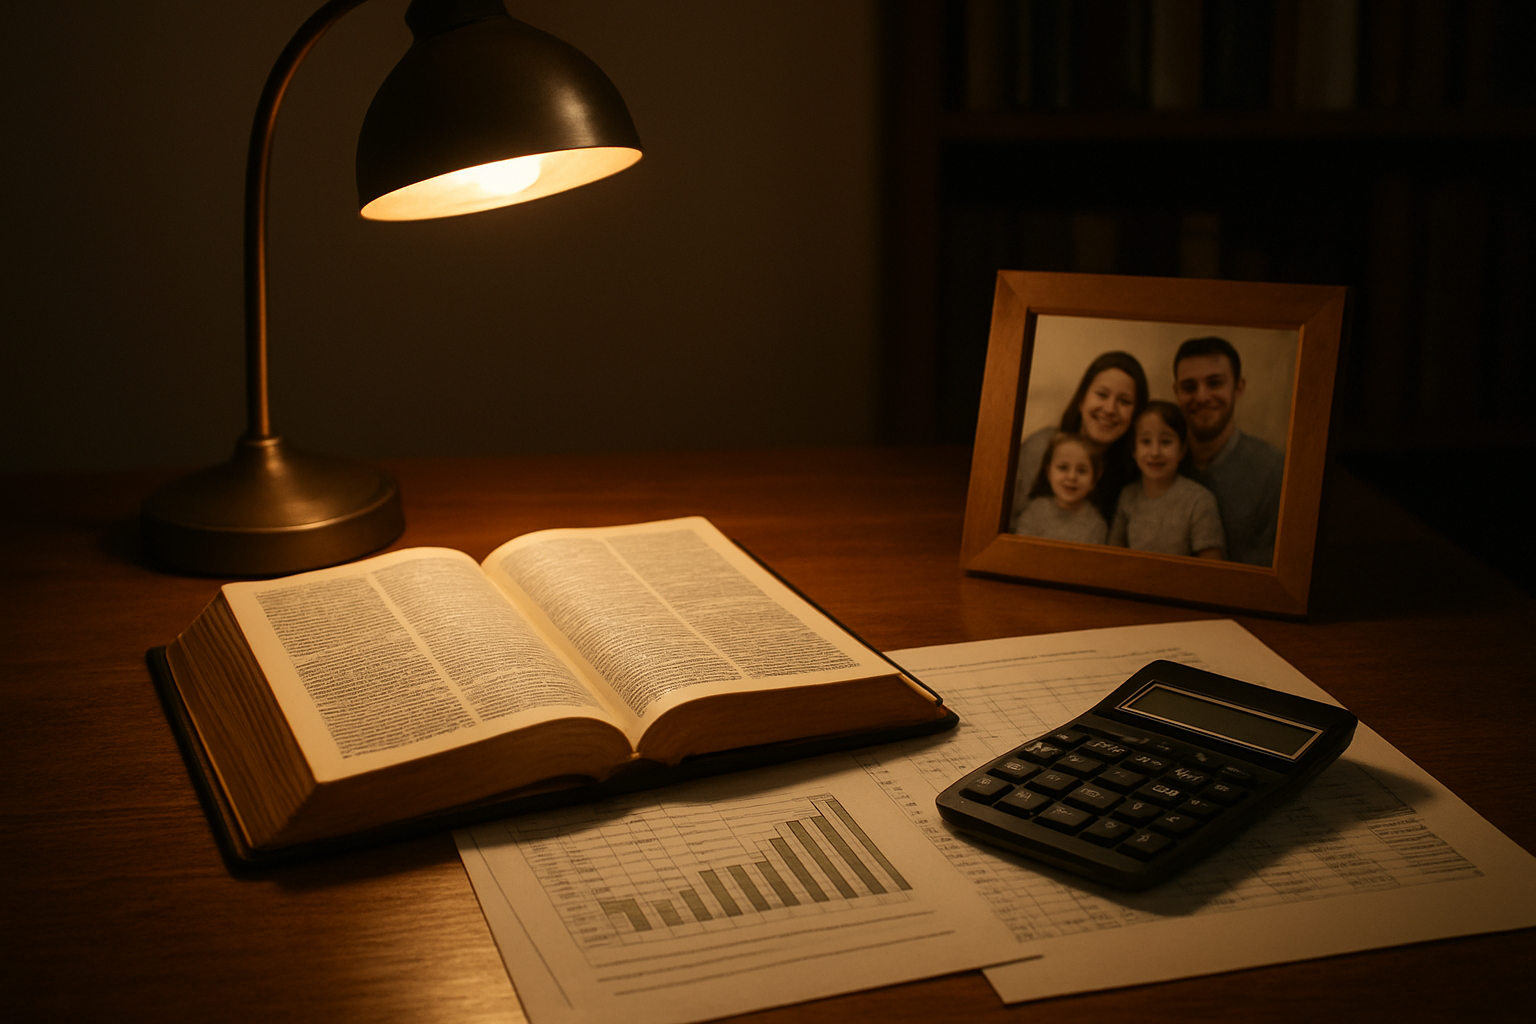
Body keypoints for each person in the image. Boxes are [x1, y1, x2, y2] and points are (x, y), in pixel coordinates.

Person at [1171, 336, 1284, 566]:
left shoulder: (1274, 471)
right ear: (1176, 392)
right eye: (1189, 387)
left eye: (1215, 383)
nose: (1202, 397)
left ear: (1238, 388)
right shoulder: (1158, 463)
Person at [1012, 351, 1149, 524]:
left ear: (1136, 414)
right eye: (1102, 394)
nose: (1110, 409)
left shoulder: (1135, 474)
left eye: (1124, 401)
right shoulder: (1041, 447)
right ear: (1082, 399)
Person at [1108, 401, 1224, 558]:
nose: (1155, 452)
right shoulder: (1128, 496)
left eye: (1166, 442)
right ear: (1134, 450)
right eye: (1146, 441)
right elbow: (1113, 556)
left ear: (1182, 450)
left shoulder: (1199, 501)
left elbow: (1212, 565)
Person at [1011, 432, 1109, 545]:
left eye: (1082, 470)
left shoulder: (1096, 525)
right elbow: (1019, 548)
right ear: (1049, 472)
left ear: (1094, 479)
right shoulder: (1035, 511)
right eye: (1063, 468)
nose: (1072, 477)